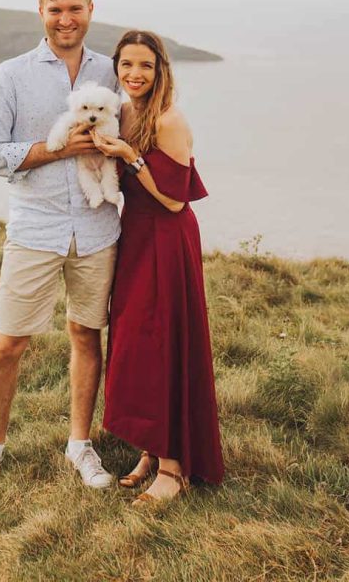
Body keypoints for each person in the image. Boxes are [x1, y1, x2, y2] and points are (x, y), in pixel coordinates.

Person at [0, 0, 120, 487]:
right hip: (35, 228)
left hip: (98, 229)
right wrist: (53, 149)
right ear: (40, 11)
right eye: (55, 9)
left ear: (91, 8)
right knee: (8, 343)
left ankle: (80, 446)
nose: (65, 19)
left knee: (87, 336)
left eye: (74, 8)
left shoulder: (113, 72)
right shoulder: (12, 74)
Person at [92, 29, 224, 504]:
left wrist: (130, 156)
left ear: (160, 69)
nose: (134, 73)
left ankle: (174, 467)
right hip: (135, 238)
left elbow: (172, 200)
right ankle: (152, 446)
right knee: (136, 343)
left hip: (167, 240)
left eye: (145, 65)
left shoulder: (169, 120)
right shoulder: (123, 111)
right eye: (127, 64)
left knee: (165, 342)